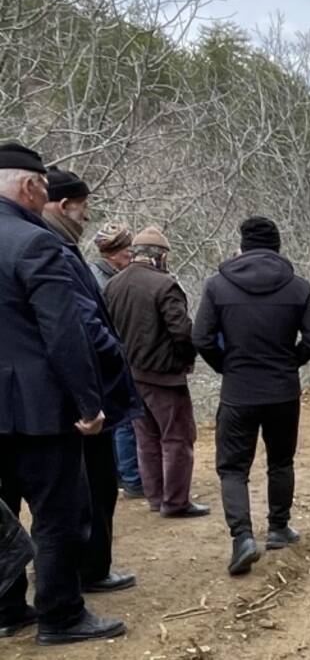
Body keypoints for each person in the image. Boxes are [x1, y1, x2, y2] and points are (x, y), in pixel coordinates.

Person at [0, 142, 126, 644]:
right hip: (39, 408)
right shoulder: (35, 244)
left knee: (5, 511)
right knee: (60, 514)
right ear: (31, 187)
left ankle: (7, 608)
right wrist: (89, 404)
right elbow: (64, 332)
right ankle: (61, 614)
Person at [194, 216, 310, 576]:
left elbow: (201, 338)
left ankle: (242, 538)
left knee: (233, 468)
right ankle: (279, 528)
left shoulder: (217, 286)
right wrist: (290, 362)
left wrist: (227, 367)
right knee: (280, 462)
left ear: (242, 245)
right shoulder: (298, 287)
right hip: (283, 390)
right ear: (278, 246)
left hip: (239, 392)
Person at [41, 166, 142, 595]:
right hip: (79, 390)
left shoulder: (50, 248)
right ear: (64, 206)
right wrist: (113, 352)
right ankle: (90, 570)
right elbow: (78, 322)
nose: (86, 220)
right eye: (83, 210)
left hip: (51, 393)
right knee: (92, 486)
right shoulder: (53, 252)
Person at [103, 227, 209, 518]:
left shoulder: (113, 285)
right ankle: (176, 502)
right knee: (177, 437)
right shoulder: (164, 285)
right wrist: (186, 359)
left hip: (130, 374)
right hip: (164, 376)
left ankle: (155, 497)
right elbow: (182, 331)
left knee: (146, 437)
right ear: (159, 256)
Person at [90, 222, 144, 497]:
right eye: (127, 251)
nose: (131, 256)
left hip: (110, 354)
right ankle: (130, 476)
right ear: (114, 253)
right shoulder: (102, 280)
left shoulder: (101, 274)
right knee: (121, 420)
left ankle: (122, 474)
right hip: (107, 356)